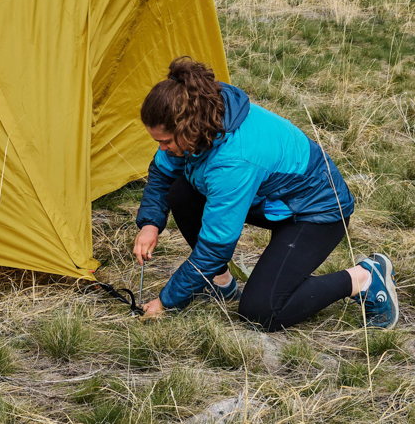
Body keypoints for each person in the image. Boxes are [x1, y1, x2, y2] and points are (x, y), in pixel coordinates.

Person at [132, 57, 398, 331]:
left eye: (165, 141)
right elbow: (163, 172)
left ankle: (363, 278)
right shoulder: (204, 117)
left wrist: (167, 302)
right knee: (181, 192)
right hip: (273, 200)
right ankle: (219, 284)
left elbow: (215, 245)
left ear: (189, 127)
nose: (162, 148)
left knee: (261, 311)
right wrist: (151, 223)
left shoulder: (234, 160)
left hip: (316, 212)